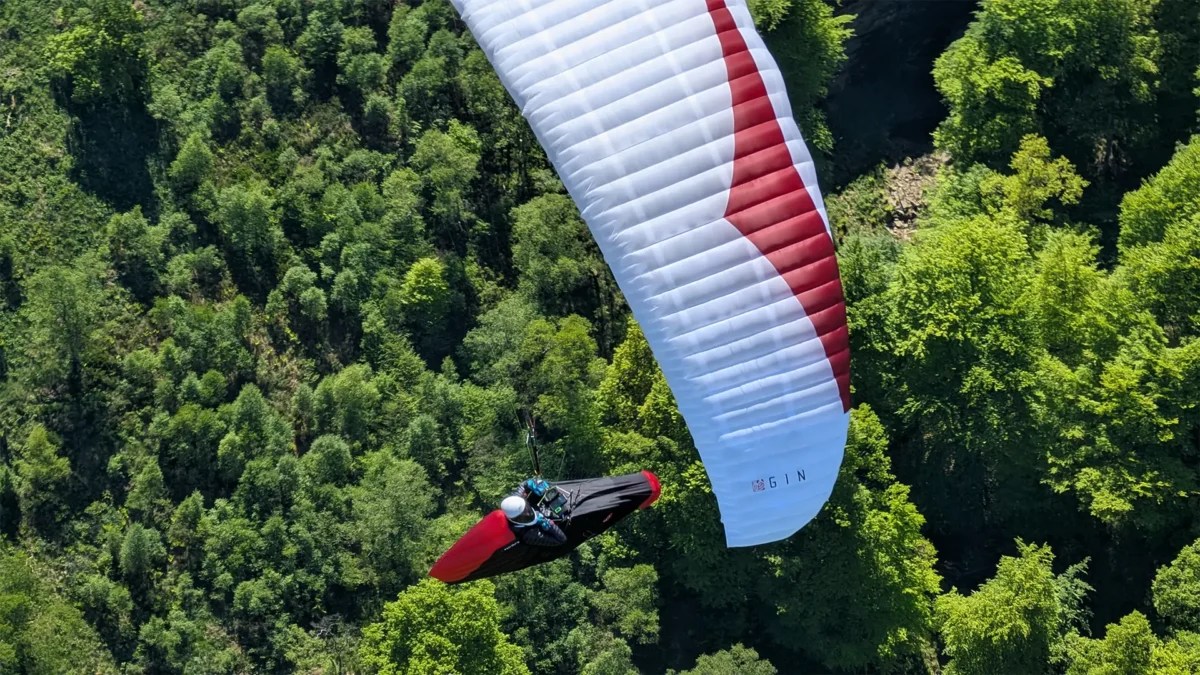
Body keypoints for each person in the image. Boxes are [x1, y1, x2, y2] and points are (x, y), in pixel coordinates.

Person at [501, 477, 567, 547]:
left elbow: (523, 485)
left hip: (536, 508)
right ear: (516, 520)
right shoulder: (529, 535)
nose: (527, 513)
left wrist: (532, 483)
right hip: (540, 527)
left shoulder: (515, 501)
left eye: (526, 510)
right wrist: (550, 526)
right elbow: (561, 540)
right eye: (524, 515)